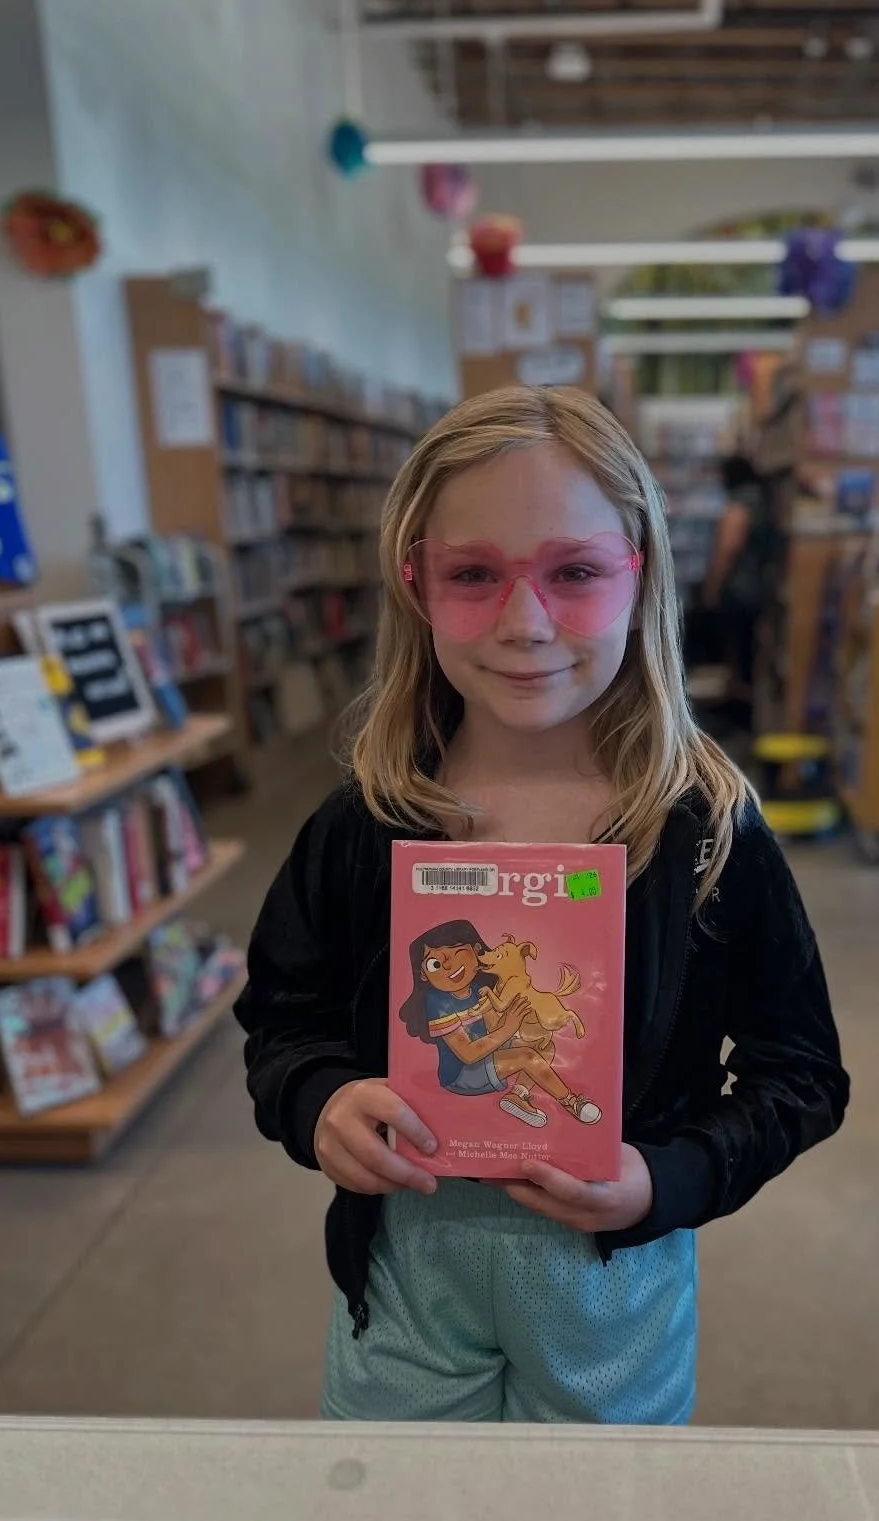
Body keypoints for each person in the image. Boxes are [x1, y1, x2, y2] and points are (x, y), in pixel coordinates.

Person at [235, 386, 848, 1426]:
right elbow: (282, 1022)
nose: (526, 624)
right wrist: (320, 1104)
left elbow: (801, 1074)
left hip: (613, 1284)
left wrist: (668, 1179)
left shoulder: (703, 831)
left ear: (638, 574)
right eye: (475, 575)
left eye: (574, 573)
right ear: (415, 582)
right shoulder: (363, 825)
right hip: (407, 1275)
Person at [697, 452, 777, 724]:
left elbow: (728, 546)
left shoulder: (741, 500)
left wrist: (712, 587)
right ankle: (744, 708)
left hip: (738, 591)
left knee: (737, 650)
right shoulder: (762, 497)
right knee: (748, 650)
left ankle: (738, 711)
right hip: (758, 589)